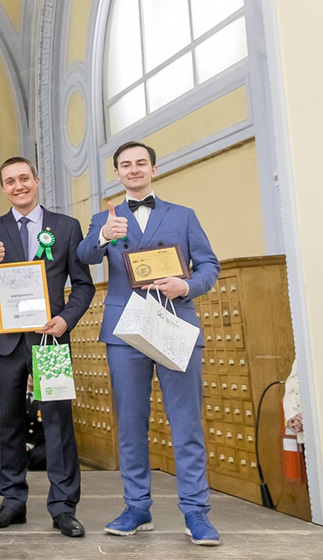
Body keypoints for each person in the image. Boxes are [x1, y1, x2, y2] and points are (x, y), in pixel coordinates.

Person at [77, 141, 221, 547]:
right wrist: (103, 234)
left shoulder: (184, 216)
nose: (134, 170)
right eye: (126, 165)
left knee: (186, 422)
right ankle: (136, 507)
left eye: (141, 163)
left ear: (154, 169)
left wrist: (187, 285)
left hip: (175, 324)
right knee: (130, 423)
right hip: (126, 332)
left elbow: (210, 264)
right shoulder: (104, 218)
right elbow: (83, 254)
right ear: (118, 174)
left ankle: (196, 512)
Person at [0, 156, 94, 539]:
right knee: (7, 422)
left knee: (58, 424)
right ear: (3, 188)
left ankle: (63, 507)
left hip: (51, 336)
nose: (18, 186)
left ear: (37, 180)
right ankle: (12, 502)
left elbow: (83, 284)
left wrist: (67, 319)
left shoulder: (66, 226)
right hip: (5, 341)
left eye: (24, 178)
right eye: (10, 181)